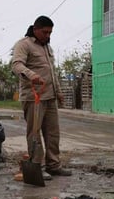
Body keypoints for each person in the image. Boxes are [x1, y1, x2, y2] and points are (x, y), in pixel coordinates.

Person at [11, 15, 71, 179]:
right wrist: (32, 75)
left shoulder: (47, 47)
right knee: (35, 133)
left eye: (50, 33)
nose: (48, 36)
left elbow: (52, 72)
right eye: (45, 32)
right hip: (33, 97)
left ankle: (54, 165)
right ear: (36, 29)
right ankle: (37, 166)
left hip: (49, 97)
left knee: (53, 133)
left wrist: (58, 92)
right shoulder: (24, 45)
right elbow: (16, 65)